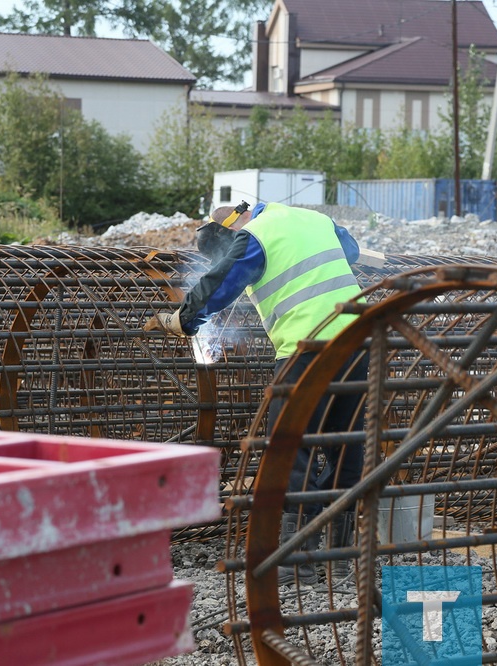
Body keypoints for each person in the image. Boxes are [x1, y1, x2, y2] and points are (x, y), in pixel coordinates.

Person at [146, 200, 368, 585]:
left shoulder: (256, 236)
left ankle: (295, 562)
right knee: (345, 446)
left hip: (307, 347)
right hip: (358, 342)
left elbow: (220, 283)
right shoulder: (312, 218)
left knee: (289, 446)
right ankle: (341, 562)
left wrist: (184, 319)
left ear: (234, 229)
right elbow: (351, 252)